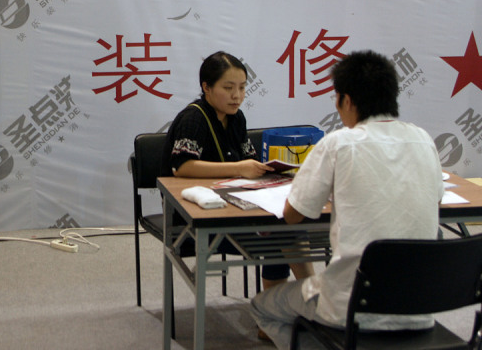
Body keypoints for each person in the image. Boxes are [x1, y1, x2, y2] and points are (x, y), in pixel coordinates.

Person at [250, 50, 445, 349]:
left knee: (261, 307)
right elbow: (434, 200)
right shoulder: (423, 139)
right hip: (418, 309)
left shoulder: (339, 143)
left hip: (349, 306)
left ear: (347, 100)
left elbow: (293, 215)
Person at [161, 51, 313, 293]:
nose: (237, 96)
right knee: (284, 233)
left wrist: (266, 168)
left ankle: (285, 301)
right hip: (197, 215)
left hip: (238, 203)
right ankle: (303, 299)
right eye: (228, 88)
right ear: (207, 87)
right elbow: (182, 167)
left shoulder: (236, 118)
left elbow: (248, 158)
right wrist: (240, 168)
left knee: (287, 227)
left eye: (242, 88)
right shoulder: (193, 118)